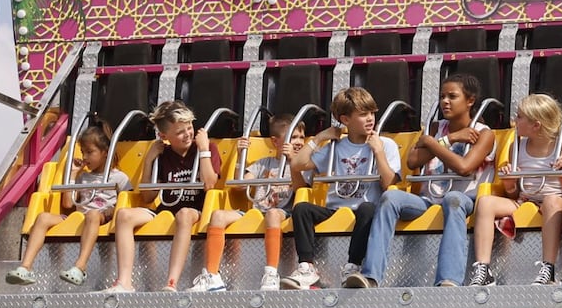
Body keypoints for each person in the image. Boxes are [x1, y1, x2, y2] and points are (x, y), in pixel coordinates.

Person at [356, 72, 495, 288]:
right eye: (442, 96)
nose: (445, 102)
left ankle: (449, 280)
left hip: (465, 198)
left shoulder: (484, 133)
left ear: (470, 101)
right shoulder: (435, 129)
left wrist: (432, 144)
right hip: (428, 199)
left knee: (453, 199)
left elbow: (464, 167)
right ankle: (372, 275)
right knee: (390, 197)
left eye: (452, 96)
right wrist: (449, 139)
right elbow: (412, 161)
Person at [281, 87, 400, 290]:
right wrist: (319, 138)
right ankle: (306, 267)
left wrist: (378, 152)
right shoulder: (336, 146)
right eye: (363, 115)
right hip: (336, 208)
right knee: (302, 209)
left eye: (372, 113)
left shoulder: (385, 144)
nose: (370, 118)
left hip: (363, 209)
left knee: (369, 208)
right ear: (345, 120)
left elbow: (389, 183)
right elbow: (297, 164)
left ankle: (353, 266)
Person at [102, 100, 223, 292]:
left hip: (195, 210)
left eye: (189, 128)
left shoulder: (207, 148)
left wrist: (204, 149)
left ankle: (171, 282)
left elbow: (209, 184)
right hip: (166, 209)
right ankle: (124, 281)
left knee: (184, 214)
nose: (188, 134)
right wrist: (149, 159)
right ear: (164, 136)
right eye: (180, 132)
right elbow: (148, 197)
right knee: (124, 215)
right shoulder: (163, 155)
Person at [466, 93, 562, 286]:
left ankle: (549, 268)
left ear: (536, 125)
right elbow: (513, 192)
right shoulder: (516, 147)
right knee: (486, 202)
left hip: (555, 202)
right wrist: (510, 183)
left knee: (552, 200)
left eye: (519, 117)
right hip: (525, 201)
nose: (514, 121)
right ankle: (483, 269)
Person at [187, 113, 308, 293]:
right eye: (293, 137)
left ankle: (271, 273)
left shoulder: (302, 165)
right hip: (257, 211)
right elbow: (240, 186)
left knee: (273, 214)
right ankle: (212, 275)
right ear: (275, 142)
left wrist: (292, 162)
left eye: (301, 137)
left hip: (284, 211)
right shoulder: (263, 164)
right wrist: (239, 156)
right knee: (218, 215)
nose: (298, 142)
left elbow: (302, 189)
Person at [7, 120, 129, 287]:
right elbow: (67, 202)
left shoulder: (119, 177)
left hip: (100, 217)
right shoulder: (82, 177)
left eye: (90, 152)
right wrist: (72, 174)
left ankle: (80, 267)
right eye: (83, 152)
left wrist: (110, 212)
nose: (85, 157)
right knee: (43, 217)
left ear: (105, 153)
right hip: (79, 217)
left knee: (93, 215)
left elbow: (128, 201)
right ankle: (25, 267)